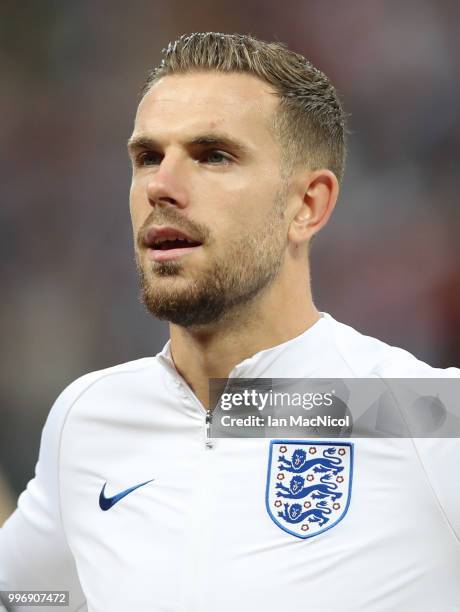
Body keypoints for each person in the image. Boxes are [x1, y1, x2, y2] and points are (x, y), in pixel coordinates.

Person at [1, 32, 459, 612]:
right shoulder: (90, 417)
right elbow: (30, 598)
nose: (162, 187)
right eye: (147, 158)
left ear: (307, 206)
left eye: (213, 155)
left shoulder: (422, 413)